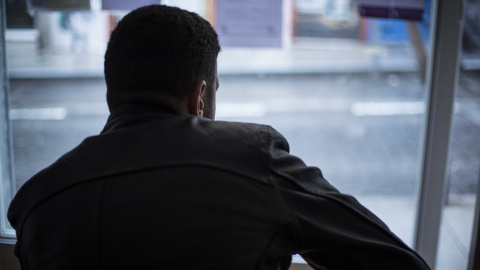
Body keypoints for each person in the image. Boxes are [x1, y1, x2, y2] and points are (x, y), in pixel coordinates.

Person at [8, 5, 430, 270]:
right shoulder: (253, 159)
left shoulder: (35, 205)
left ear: (110, 91)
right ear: (200, 96)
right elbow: (394, 261)